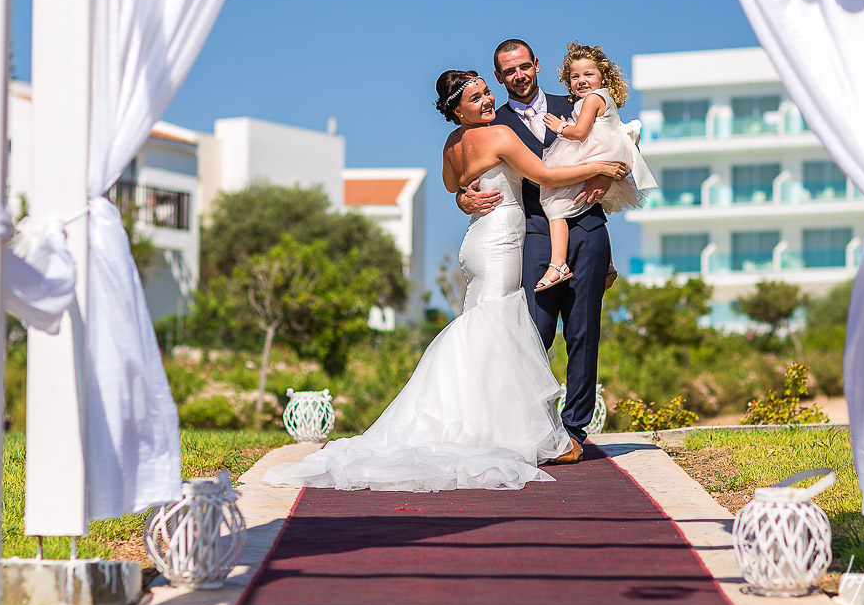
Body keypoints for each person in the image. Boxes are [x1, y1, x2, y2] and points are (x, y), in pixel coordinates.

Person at [263, 69, 628, 491]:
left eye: (486, 93)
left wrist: (465, 197)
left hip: (476, 241)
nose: (488, 101)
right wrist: (601, 164)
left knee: (485, 327)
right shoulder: (498, 137)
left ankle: (492, 423)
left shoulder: (452, 144)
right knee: (498, 328)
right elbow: (545, 178)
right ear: (458, 109)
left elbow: (452, 184)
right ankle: (501, 431)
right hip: (501, 241)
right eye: (476, 99)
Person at [457, 39, 613, 461]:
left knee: (584, 332)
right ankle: (531, 426)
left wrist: (610, 180)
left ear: (537, 65)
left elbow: (620, 146)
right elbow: (468, 177)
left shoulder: (578, 100)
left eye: (524, 67)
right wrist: (464, 200)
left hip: (587, 226)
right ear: (499, 76)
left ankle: (574, 429)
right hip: (532, 235)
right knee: (534, 333)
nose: (519, 76)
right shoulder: (493, 123)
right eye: (509, 72)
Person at [535, 43, 656, 292]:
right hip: (604, 151)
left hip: (595, 152)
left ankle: (558, 264)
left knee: (553, 203)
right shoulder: (599, 99)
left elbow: (579, 133)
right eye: (574, 76)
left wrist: (559, 127)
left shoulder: (592, 99)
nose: (581, 80)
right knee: (593, 204)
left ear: (603, 75)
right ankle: (608, 264)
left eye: (588, 74)